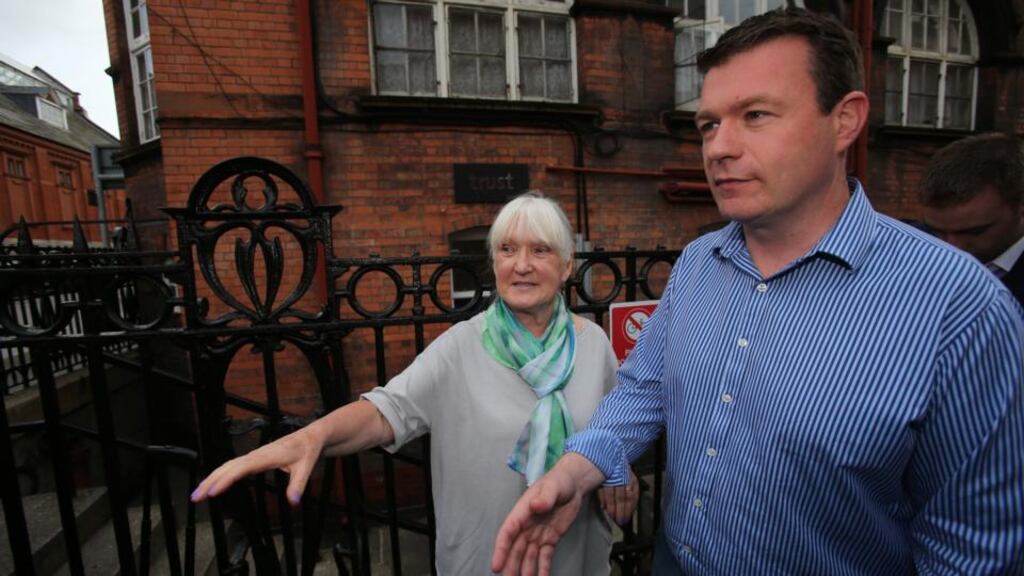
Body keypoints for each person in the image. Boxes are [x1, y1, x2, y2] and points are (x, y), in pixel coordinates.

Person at [492, 8, 1024, 576]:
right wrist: (578, 468)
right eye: (709, 125)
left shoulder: (963, 307)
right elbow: (642, 392)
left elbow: (973, 548)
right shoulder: (698, 263)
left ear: (845, 121)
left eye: (756, 115)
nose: (720, 147)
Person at [190, 191, 637, 575]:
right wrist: (315, 435)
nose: (520, 265)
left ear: (566, 266)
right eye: (506, 249)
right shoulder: (461, 346)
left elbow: (612, 431)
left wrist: (621, 470)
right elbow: (386, 412)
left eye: (539, 250)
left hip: (575, 558)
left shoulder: (593, 344)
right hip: (484, 561)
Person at [920, 132, 1024, 305]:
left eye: (974, 231)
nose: (952, 248)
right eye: (936, 231)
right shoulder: (899, 254)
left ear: (1020, 206)